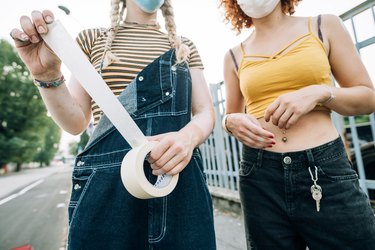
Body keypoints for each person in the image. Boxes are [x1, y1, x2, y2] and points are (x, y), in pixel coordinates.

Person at [10, 0, 216, 249]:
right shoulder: (91, 39)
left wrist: (188, 138)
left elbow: (205, 111)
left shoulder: (184, 47)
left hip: (178, 184)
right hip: (106, 185)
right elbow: (76, 122)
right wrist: (46, 76)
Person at [220, 0, 375, 249]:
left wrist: (320, 92)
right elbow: (231, 117)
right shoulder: (233, 56)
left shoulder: (324, 26)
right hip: (260, 177)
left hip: (324, 170)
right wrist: (228, 122)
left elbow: (368, 98)